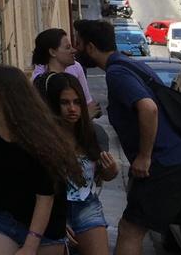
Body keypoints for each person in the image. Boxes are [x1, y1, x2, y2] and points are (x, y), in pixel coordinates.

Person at [72, 19, 181, 255]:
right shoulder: (131, 65)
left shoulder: (117, 73)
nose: (75, 49)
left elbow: (148, 108)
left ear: (91, 48)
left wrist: (145, 156)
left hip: (166, 163)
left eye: (78, 43)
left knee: (130, 229)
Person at [0, 64, 83, 253]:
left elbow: (45, 197)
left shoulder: (39, 138)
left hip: (44, 226)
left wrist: (30, 246)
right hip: (0, 217)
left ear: (1, 95)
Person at [40, 72, 117, 255]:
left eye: (77, 102)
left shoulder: (93, 134)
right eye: (65, 103)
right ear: (53, 104)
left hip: (86, 205)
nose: (72, 108)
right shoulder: (44, 138)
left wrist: (111, 170)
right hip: (51, 207)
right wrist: (55, 220)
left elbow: (102, 176)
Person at [30, 28, 99, 117]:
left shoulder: (76, 67)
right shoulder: (40, 79)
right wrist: (86, 117)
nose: (74, 50)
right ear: (52, 52)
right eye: (68, 47)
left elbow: (87, 102)